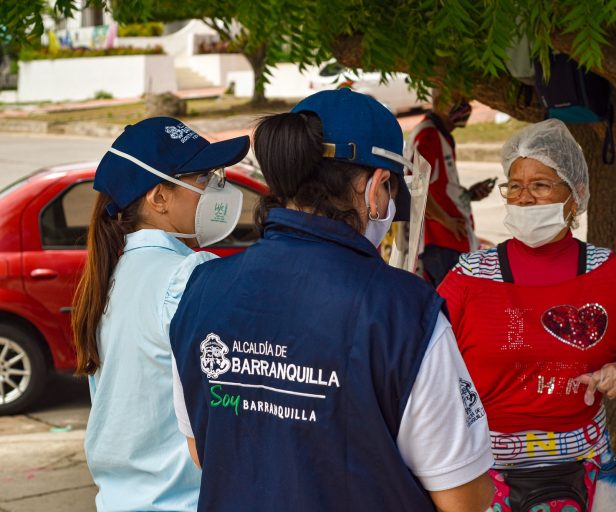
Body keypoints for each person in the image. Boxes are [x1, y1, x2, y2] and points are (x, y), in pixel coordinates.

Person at [169, 89, 495, 512]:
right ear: (377, 188)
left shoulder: (200, 289)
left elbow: (202, 450)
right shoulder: (405, 311)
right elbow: (463, 496)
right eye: (392, 194)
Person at [437, 119, 616, 511]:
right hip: (486, 478)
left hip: (585, 476)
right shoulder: (469, 277)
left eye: (540, 185)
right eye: (514, 186)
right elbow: (418, 352)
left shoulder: (608, 274)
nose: (523, 197)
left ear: (577, 195)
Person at [71, 117, 249, 511]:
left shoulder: (111, 278)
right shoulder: (189, 276)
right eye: (204, 178)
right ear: (160, 197)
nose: (216, 190)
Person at [405, 92, 495, 287]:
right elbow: (415, 186)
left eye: (467, 100)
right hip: (441, 241)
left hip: (452, 237)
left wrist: (468, 195)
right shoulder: (428, 136)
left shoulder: (441, 135)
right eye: (457, 100)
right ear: (438, 103)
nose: (464, 106)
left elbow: (438, 185)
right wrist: (446, 221)